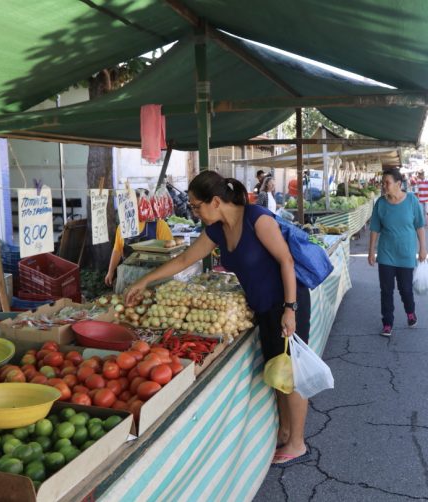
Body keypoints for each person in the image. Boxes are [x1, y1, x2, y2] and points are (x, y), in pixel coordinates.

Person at [124, 171, 312, 466]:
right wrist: (144, 281)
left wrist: (291, 308)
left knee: (293, 372)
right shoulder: (216, 230)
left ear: (215, 201)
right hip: (261, 305)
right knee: (278, 368)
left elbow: (286, 260)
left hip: (286, 300)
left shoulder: (257, 218)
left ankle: (297, 442)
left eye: (197, 206)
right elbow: (185, 260)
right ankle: (285, 429)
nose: (196, 212)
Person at [368, 168, 427, 337]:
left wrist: (423, 248)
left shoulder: (412, 201)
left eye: (387, 183)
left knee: (405, 289)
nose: (384, 186)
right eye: (383, 182)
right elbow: (374, 229)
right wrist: (371, 251)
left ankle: (410, 312)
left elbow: (419, 225)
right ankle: (387, 323)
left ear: (398, 184)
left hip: (406, 253)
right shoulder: (381, 203)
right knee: (386, 290)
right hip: (386, 253)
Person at [105, 188, 161, 287]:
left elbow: (170, 251)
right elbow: (117, 250)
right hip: (128, 276)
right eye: (133, 205)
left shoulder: (158, 225)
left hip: (152, 277)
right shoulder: (122, 226)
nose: (136, 209)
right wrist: (110, 271)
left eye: (140, 205)